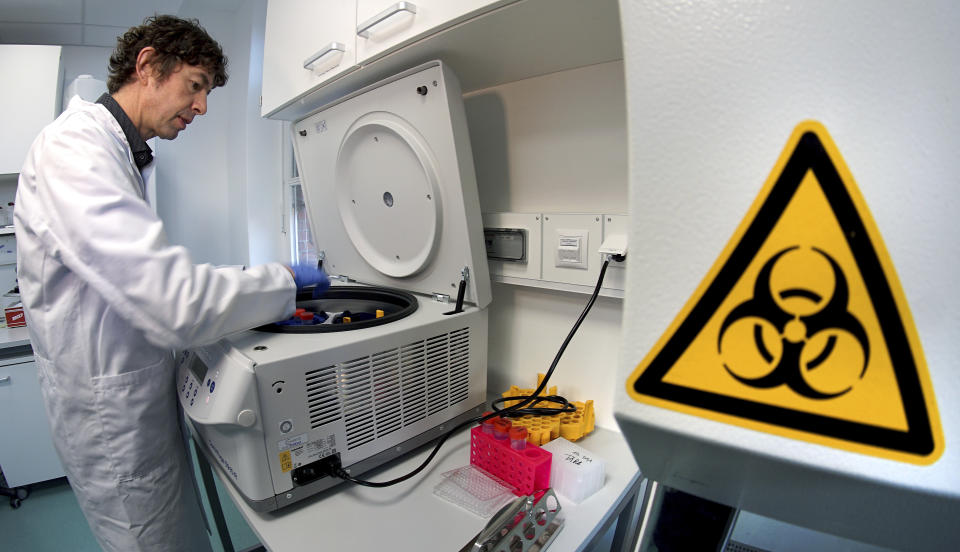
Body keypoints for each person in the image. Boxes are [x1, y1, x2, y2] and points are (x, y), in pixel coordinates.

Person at [14, 15, 327, 552]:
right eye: (196, 84)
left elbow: (150, 274)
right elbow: (170, 297)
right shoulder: (74, 149)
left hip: (133, 396)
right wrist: (281, 283)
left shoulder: (119, 151)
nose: (202, 107)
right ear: (149, 66)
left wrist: (261, 290)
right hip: (112, 420)